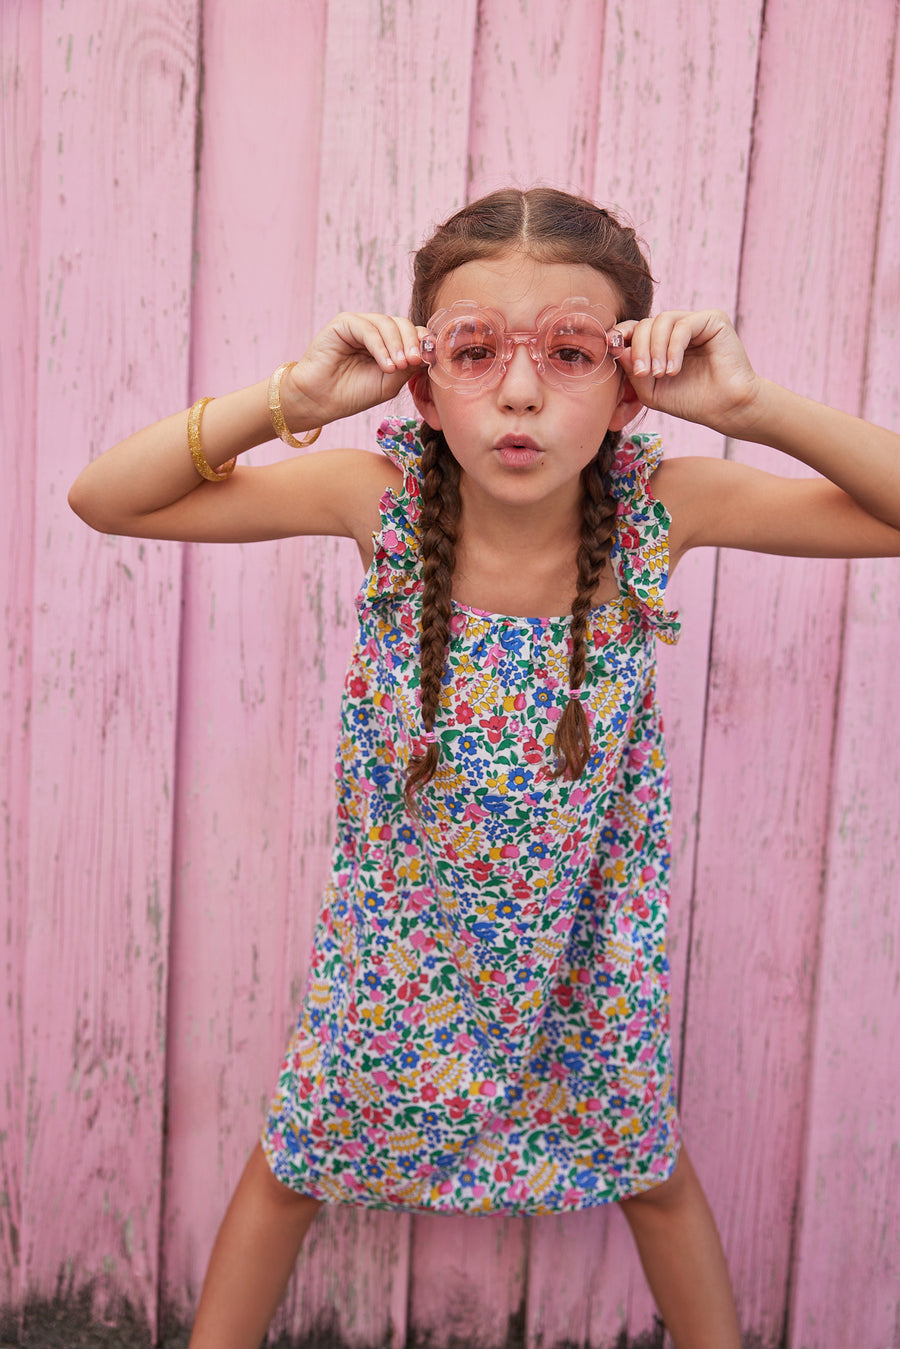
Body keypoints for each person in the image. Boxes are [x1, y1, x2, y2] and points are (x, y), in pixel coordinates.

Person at [68, 187, 900, 1349]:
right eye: (475, 352)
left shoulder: (663, 507)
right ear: (422, 381)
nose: (519, 390)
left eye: (570, 354)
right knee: (296, 1161)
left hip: (580, 951)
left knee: (649, 1173)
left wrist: (752, 411)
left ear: (627, 388)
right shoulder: (381, 500)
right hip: (403, 949)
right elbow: (105, 497)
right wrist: (287, 402)